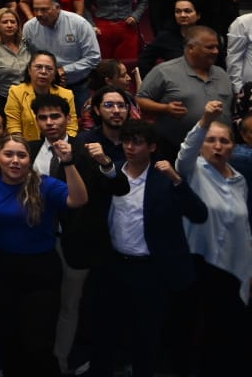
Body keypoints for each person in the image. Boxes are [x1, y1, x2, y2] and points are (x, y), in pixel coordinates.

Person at [85, 120, 207, 377]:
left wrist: (176, 180)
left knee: (147, 335)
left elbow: (198, 214)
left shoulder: (165, 178)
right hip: (113, 265)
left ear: (152, 147)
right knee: (105, 331)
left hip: (151, 270)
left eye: (138, 142)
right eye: (127, 141)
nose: (130, 147)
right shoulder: (111, 171)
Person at [0, 134, 89, 377]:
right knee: (7, 338)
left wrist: (69, 163)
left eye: (22, 155)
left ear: (30, 159)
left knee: (38, 342)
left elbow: (79, 199)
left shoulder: (45, 184)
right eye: (9, 154)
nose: (15, 160)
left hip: (40, 270)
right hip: (0, 269)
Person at [173, 99, 252, 376]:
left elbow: (244, 230)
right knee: (189, 328)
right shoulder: (193, 170)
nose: (218, 146)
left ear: (234, 146)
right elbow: (185, 152)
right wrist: (204, 120)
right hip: (197, 263)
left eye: (224, 141)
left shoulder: (239, 180)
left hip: (229, 269)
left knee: (224, 334)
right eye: (211, 140)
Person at [137, 25, 235, 154]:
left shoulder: (221, 73)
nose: (216, 51)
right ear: (191, 48)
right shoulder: (164, 71)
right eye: (209, 47)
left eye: (217, 47)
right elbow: (140, 100)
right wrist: (164, 108)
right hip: (175, 149)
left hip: (218, 151)